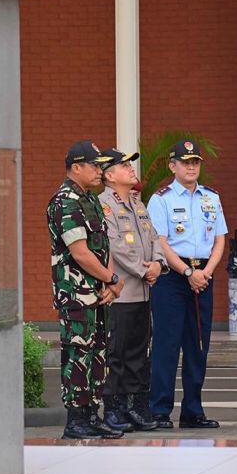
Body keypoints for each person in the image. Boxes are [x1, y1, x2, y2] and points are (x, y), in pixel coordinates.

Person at [146, 140, 227, 429]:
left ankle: (193, 410)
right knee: (167, 345)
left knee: (198, 346)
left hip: (203, 276)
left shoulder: (211, 197)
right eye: (185, 162)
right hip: (172, 277)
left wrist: (206, 271)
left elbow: (219, 238)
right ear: (173, 166)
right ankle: (159, 410)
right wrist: (186, 272)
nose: (191, 167)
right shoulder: (161, 199)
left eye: (195, 162)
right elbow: (160, 242)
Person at [47, 140, 124, 439]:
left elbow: (104, 245)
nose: (100, 170)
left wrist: (109, 280)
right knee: (79, 355)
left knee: (97, 355)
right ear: (76, 167)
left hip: (98, 291)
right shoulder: (65, 201)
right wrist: (113, 280)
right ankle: (76, 418)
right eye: (94, 165)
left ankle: (92, 414)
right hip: (76, 294)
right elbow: (80, 252)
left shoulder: (90, 200)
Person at [97, 147, 165, 432]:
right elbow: (115, 245)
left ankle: (135, 406)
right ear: (110, 175)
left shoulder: (138, 202)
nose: (131, 170)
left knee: (139, 352)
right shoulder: (104, 204)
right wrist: (143, 268)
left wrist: (159, 264)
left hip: (144, 290)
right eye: (125, 166)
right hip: (122, 290)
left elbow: (154, 236)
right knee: (118, 353)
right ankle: (113, 407)